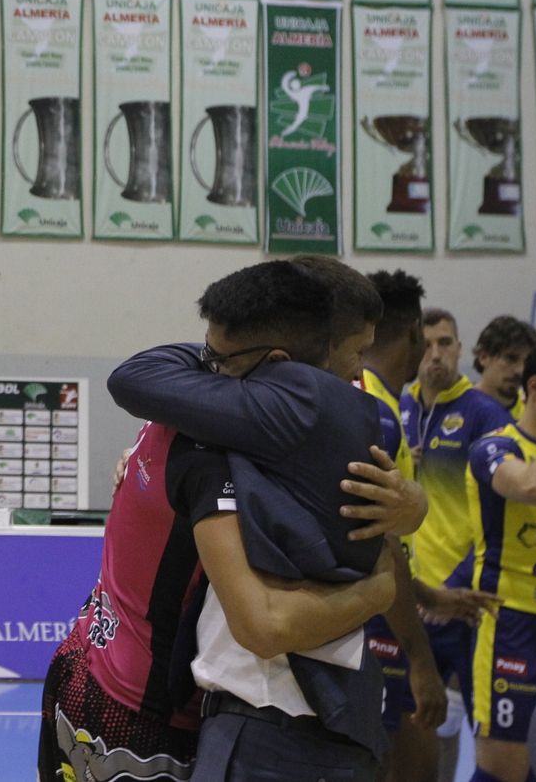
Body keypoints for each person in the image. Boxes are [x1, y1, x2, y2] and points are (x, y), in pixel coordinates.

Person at [39, 260, 412, 782]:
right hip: (144, 708)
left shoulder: (179, 404)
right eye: (353, 351)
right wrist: (381, 589)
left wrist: (411, 505)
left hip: (90, 659)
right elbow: (263, 625)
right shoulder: (225, 444)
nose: (358, 375)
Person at [401, 308, 513, 777]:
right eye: (426, 345)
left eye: (445, 343)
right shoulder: (398, 406)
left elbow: (500, 516)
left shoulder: (485, 415)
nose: (435, 355)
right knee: (413, 730)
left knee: (486, 733)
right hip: (411, 597)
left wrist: (455, 586)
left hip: (466, 600)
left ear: (461, 349)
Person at [357, 271, 447, 782]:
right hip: (376, 627)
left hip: (380, 612)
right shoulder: (379, 418)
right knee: (407, 768)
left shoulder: (373, 401)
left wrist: (428, 595)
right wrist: (421, 659)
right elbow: (381, 542)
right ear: (413, 333)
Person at [463, 338, 536, 782]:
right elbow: (534, 488)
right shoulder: (494, 448)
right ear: (535, 387)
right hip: (514, 627)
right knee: (506, 771)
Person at [473, 315, 536, 416]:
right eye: (511, 358)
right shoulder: (457, 408)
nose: (520, 370)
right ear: (484, 357)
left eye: (527, 362)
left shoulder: (534, 417)